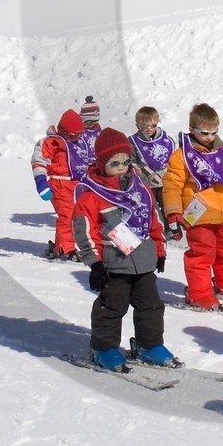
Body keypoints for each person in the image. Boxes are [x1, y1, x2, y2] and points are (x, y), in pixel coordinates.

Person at [72, 128, 177, 370]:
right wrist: (95, 264)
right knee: (111, 307)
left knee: (151, 305)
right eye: (114, 163)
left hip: (144, 261)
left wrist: (159, 250)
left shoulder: (139, 188)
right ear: (100, 164)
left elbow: (153, 219)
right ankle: (104, 347)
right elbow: (84, 232)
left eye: (126, 161)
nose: (122, 167)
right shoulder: (92, 195)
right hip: (114, 264)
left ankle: (148, 345)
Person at [161, 103, 223, 311]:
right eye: (204, 133)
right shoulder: (181, 156)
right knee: (202, 254)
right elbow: (171, 186)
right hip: (199, 215)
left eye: (214, 132)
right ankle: (199, 293)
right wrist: (173, 213)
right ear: (192, 129)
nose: (209, 137)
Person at [31, 108, 93, 261]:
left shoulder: (79, 142)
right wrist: (41, 182)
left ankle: (64, 245)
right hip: (59, 184)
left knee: (81, 216)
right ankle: (65, 249)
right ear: (64, 131)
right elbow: (39, 162)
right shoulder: (52, 142)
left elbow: (88, 162)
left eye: (80, 134)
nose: (77, 138)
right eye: (74, 135)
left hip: (78, 185)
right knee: (67, 216)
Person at [129, 106, 174, 222]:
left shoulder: (167, 140)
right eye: (144, 126)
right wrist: (139, 170)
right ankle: (158, 229)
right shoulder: (133, 142)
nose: (149, 129)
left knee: (168, 205)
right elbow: (132, 160)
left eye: (152, 125)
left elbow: (174, 159)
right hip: (147, 181)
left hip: (165, 180)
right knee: (152, 207)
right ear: (137, 125)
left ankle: (172, 227)